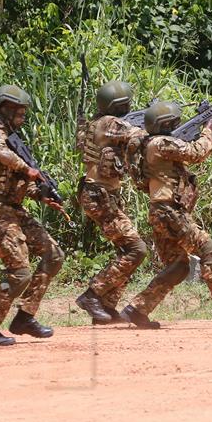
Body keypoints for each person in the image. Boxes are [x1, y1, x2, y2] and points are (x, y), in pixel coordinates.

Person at [119, 101, 212, 328]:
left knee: (179, 266)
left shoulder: (149, 143)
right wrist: (209, 128)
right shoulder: (161, 143)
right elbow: (197, 152)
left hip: (161, 211)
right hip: (169, 211)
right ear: (167, 124)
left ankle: (137, 309)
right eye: (175, 121)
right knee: (208, 248)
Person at [0, 85, 65, 347]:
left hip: (13, 209)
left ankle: (25, 317)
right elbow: (0, 154)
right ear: (5, 110)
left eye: (24, 113)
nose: (22, 117)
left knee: (53, 255)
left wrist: (41, 193)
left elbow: (20, 181)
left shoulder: (14, 139)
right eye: (19, 112)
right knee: (20, 272)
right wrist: (28, 169)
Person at [74, 81, 149, 324]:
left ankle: (106, 306)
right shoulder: (111, 124)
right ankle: (92, 295)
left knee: (125, 251)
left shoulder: (94, 124)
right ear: (119, 105)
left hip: (101, 194)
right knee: (136, 249)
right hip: (100, 194)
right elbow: (141, 136)